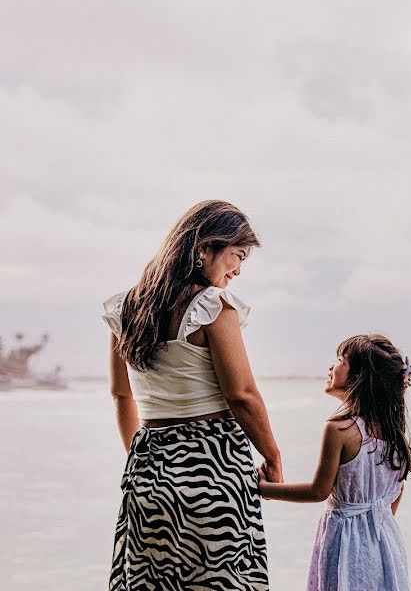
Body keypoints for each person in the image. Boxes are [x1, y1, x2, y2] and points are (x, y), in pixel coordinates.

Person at [101, 199, 281, 590]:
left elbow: (121, 395)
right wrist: (273, 456)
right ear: (204, 248)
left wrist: (143, 458)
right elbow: (242, 395)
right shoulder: (212, 306)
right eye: (237, 256)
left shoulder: (125, 309)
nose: (237, 270)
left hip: (148, 469)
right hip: (212, 466)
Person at [259, 333, 411, 591]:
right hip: (386, 545)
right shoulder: (394, 436)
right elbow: (391, 503)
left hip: (345, 543)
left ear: (359, 378)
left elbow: (318, 491)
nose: (331, 366)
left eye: (340, 360)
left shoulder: (339, 429)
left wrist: (263, 489)